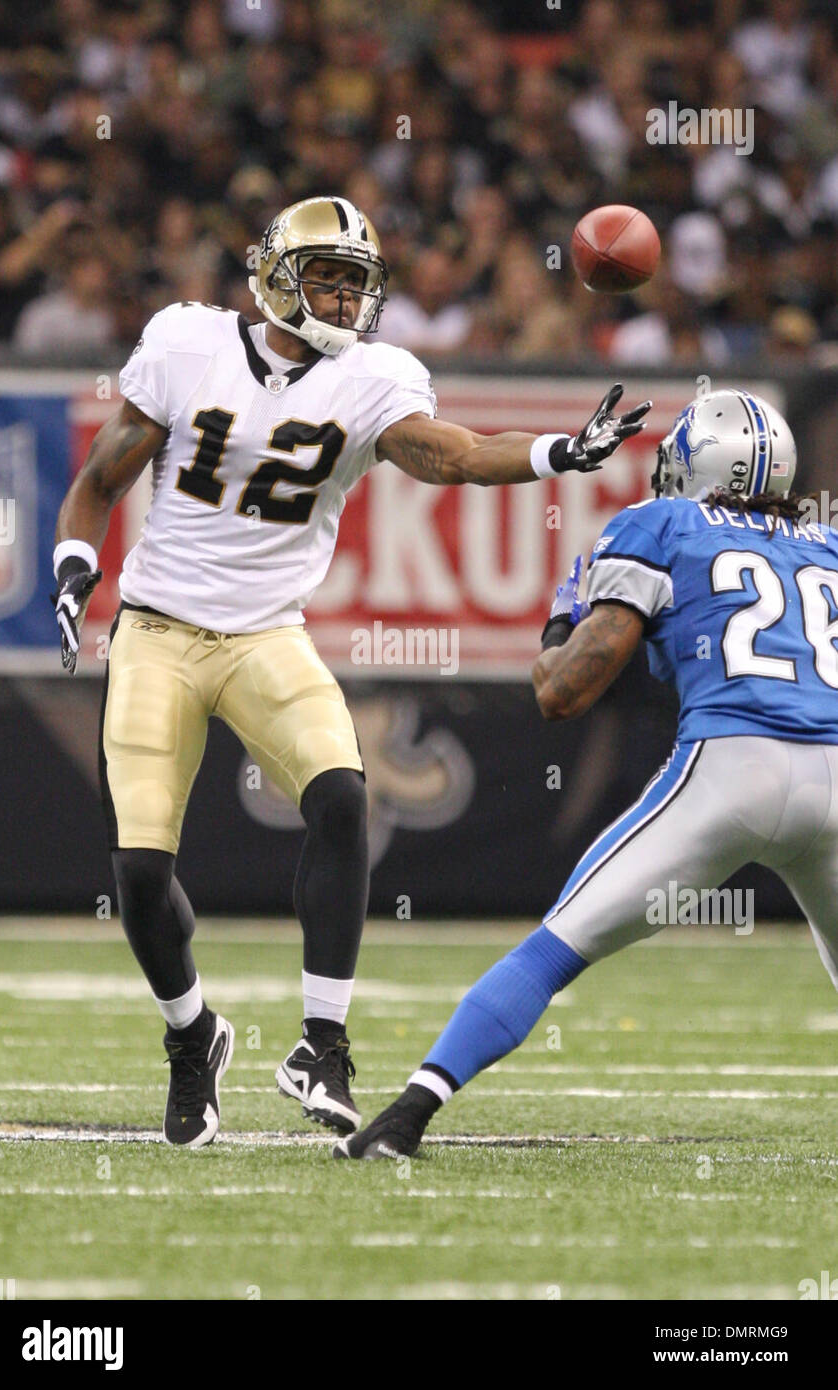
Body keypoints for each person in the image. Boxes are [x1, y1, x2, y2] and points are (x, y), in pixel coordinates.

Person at [51, 194, 650, 1148]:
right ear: (276, 277)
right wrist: (74, 564)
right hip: (158, 630)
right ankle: (190, 1037)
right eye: (326, 278)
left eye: (355, 284)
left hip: (267, 636)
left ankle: (321, 1043)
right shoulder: (185, 343)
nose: (342, 300)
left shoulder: (372, 378)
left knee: (340, 798)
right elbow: (100, 479)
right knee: (138, 870)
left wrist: (554, 452)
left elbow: (452, 456)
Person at [334, 387, 838, 1160]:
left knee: (553, 950)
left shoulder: (660, 524)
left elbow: (562, 692)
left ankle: (404, 1120)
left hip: (733, 770)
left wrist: (563, 619)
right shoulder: (828, 546)